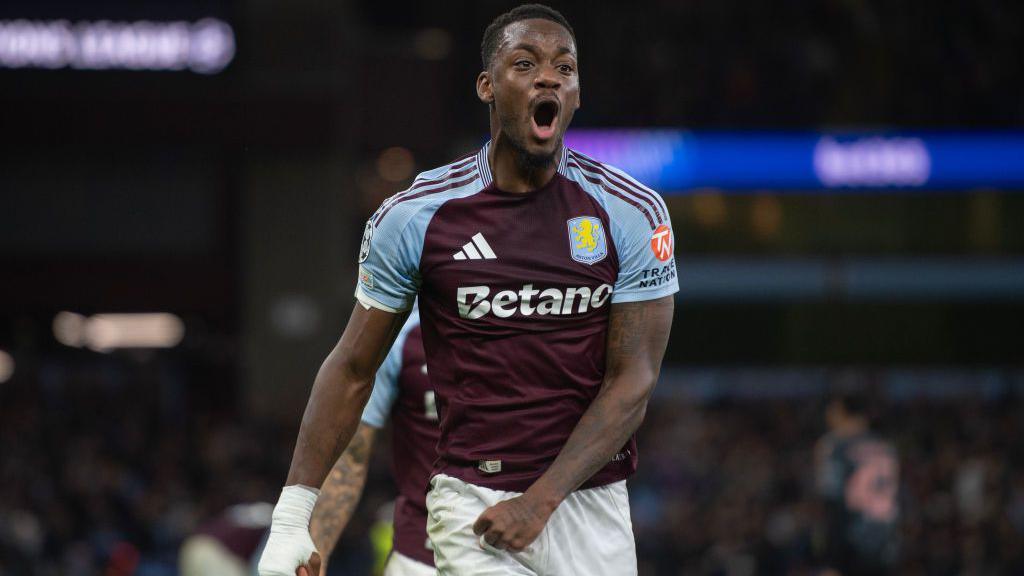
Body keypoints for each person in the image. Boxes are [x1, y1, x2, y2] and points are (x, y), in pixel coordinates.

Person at [258, 4, 677, 575]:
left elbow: (633, 379)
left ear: (576, 93)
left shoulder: (630, 213)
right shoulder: (416, 216)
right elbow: (353, 369)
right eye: (525, 63)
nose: (548, 78)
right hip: (471, 502)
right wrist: (291, 518)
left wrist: (539, 501)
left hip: (591, 505)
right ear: (487, 85)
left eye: (565, 68)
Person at [308, 310, 438, 575]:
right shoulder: (400, 333)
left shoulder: (537, 320)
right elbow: (350, 458)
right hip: (420, 554)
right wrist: (316, 558)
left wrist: (537, 504)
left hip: (526, 547)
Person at [815, 393, 900, 575]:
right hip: (885, 542)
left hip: (849, 543)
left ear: (842, 412)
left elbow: (832, 503)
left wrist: (831, 561)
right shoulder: (886, 447)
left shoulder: (835, 445)